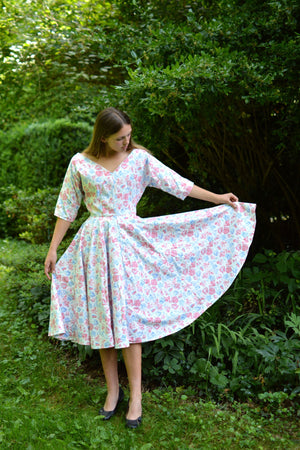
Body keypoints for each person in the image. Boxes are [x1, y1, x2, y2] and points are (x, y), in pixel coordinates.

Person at [44, 107, 256, 429]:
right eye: (120, 138)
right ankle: (113, 392)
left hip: (129, 246)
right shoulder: (80, 164)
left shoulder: (139, 160)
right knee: (104, 319)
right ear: (103, 137)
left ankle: (137, 398)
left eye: (129, 135)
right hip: (95, 248)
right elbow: (67, 207)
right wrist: (53, 248)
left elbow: (178, 185)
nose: (127, 142)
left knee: (129, 323)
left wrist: (217, 198)